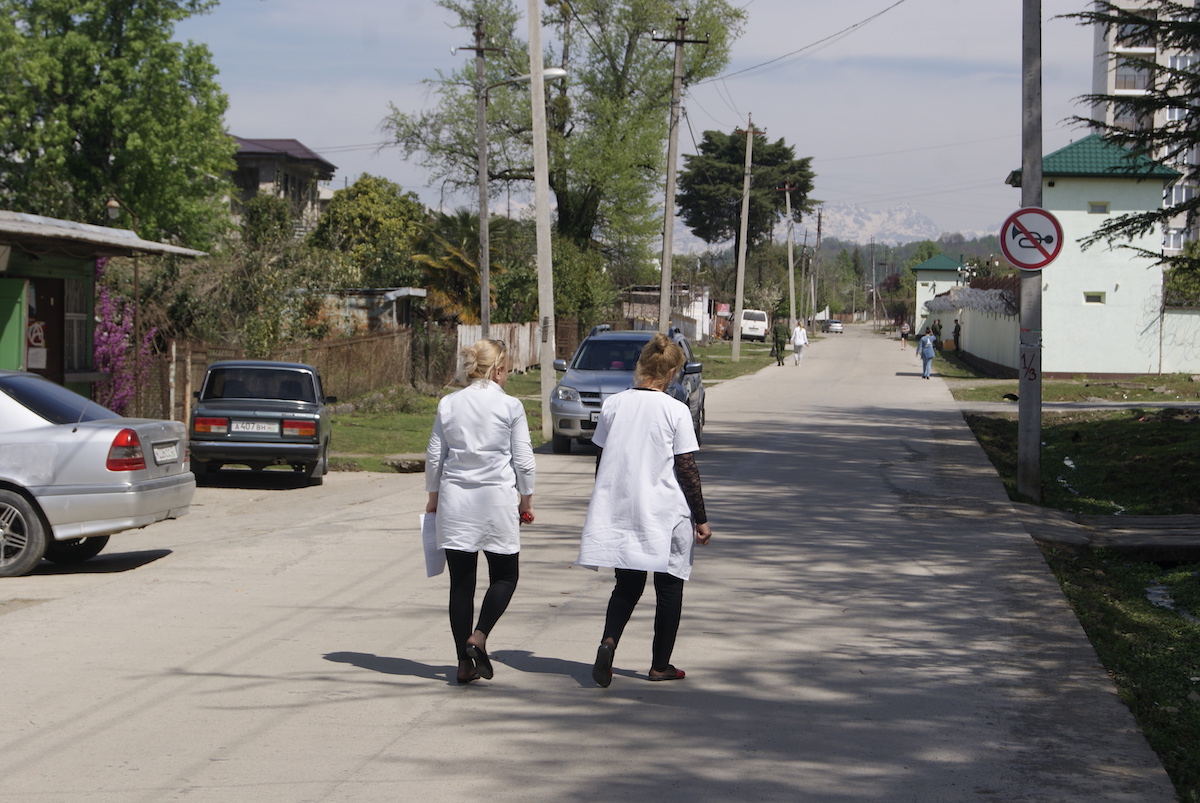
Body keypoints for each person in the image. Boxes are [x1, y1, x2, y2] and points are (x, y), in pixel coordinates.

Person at [577, 332, 712, 687]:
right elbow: (686, 468)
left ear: (641, 368)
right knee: (669, 590)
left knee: (627, 587)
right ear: (671, 375)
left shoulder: (614, 405)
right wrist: (701, 519)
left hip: (625, 510)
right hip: (666, 515)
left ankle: (609, 642)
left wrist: (604, 502)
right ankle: (659, 665)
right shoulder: (676, 410)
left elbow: (602, 460)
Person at [425, 339, 535, 684]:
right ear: (499, 370)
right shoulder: (510, 406)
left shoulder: (449, 403)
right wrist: (526, 500)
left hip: (456, 501)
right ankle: (480, 635)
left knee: (461, 584)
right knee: (505, 576)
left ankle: (462, 663)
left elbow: (433, 457)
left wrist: (433, 498)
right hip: (496, 501)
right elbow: (524, 461)